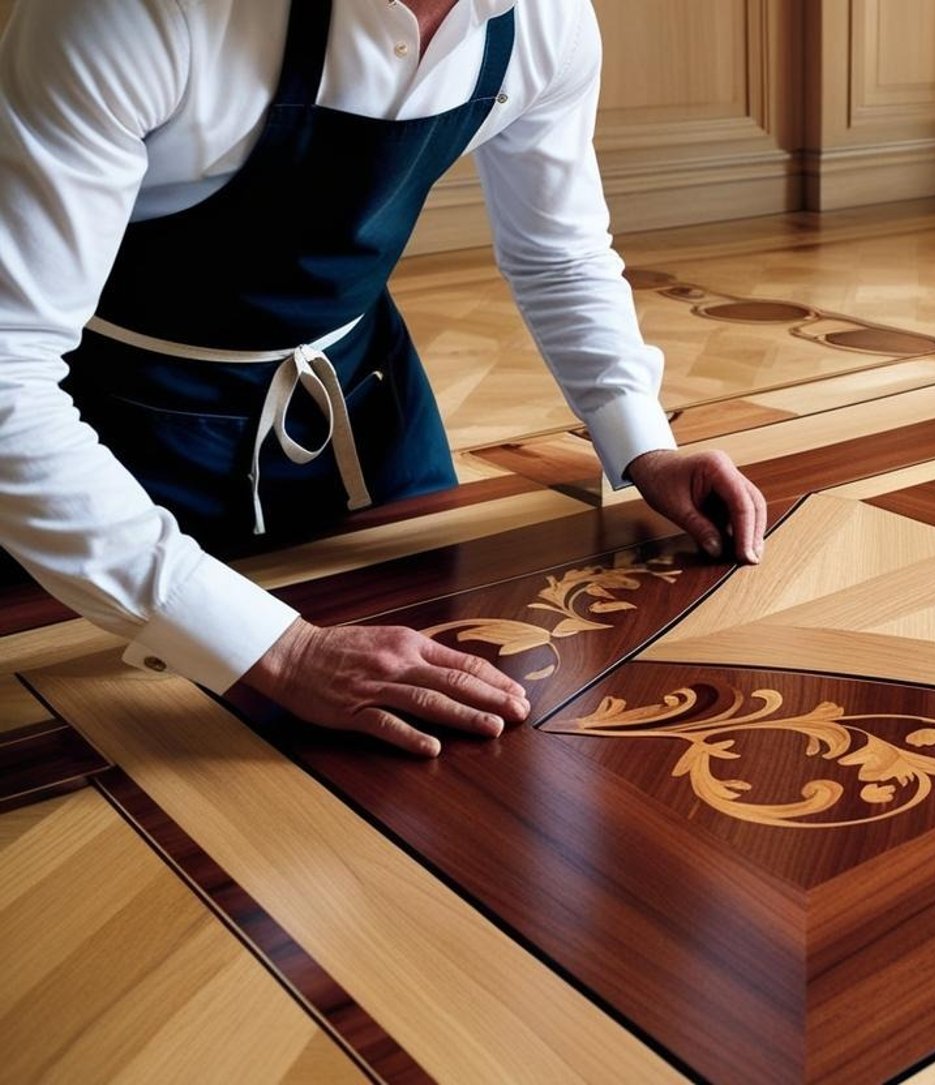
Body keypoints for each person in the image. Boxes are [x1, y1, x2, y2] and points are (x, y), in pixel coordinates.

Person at [0, 0, 767, 756]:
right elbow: (8, 371)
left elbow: (559, 255)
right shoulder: (123, 14)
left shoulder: (546, 19)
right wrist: (281, 649)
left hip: (362, 403)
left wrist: (642, 442)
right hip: (113, 434)